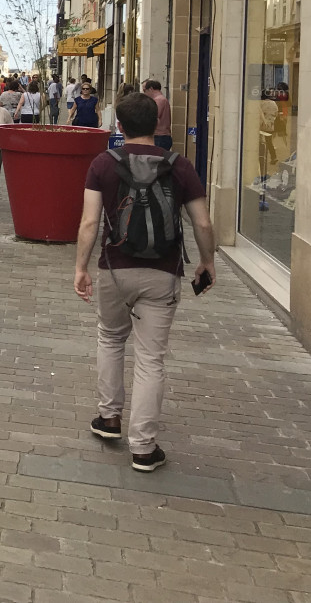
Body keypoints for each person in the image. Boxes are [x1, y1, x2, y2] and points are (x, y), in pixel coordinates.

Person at [73, 92, 215, 474]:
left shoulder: (102, 164)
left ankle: (109, 418)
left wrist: (81, 267)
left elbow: (89, 223)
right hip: (162, 272)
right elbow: (201, 222)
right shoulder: (179, 165)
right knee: (151, 359)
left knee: (110, 338)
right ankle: (144, 447)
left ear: (119, 126)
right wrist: (207, 261)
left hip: (115, 269)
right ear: (157, 125)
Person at [142, 79, 172, 150]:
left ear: (151, 89)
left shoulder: (159, 100)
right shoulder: (162, 99)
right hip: (162, 136)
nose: (145, 94)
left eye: (144, 90)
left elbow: (152, 116)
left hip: (159, 136)